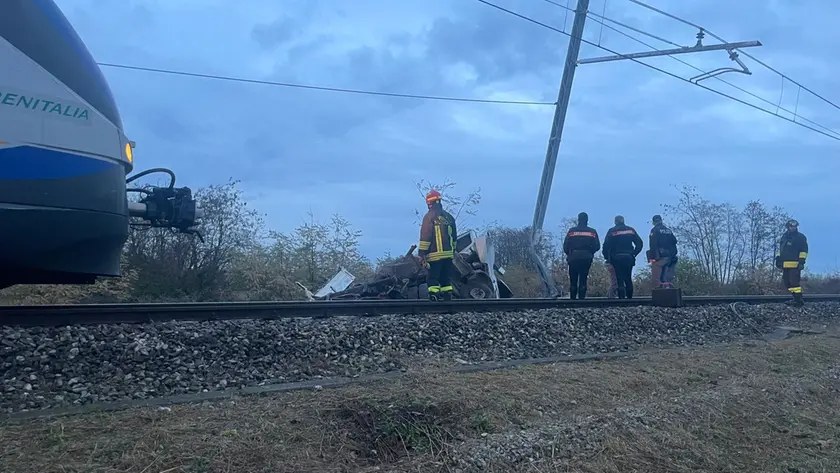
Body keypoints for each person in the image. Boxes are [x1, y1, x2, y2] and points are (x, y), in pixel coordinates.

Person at [418, 189, 458, 301]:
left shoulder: (429, 217)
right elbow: (454, 237)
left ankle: (434, 296)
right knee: (445, 278)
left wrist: (422, 253)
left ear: (429, 203)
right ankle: (447, 296)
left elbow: (426, 237)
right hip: (448, 255)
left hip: (434, 256)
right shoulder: (449, 217)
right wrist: (453, 251)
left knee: (432, 278)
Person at [602, 215, 644, 299]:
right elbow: (639, 243)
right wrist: (634, 253)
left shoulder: (612, 231)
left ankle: (621, 300)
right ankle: (629, 299)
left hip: (616, 258)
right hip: (629, 257)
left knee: (619, 279)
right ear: (623, 221)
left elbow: (606, 246)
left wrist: (608, 257)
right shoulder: (631, 230)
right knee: (628, 278)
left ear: (615, 222)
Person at [563, 212, 600, 300]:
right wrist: (590, 252)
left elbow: (565, 246)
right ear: (587, 220)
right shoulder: (592, 231)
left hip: (574, 257)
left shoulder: (572, 231)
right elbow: (597, 246)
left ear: (578, 219)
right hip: (586, 257)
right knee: (583, 278)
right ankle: (582, 300)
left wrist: (570, 254)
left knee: (573, 279)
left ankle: (572, 300)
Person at [775, 219, 808, 307]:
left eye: (794, 226)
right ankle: (795, 299)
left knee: (794, 283)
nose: (793, 228)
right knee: (787, 283)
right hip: (785, 264)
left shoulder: (800, 237)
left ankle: (799, 301)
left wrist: (801, 262)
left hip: (795, 264)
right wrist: (778, 259)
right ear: (787, 227)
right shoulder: (784, 237)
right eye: (791, 226)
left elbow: (804, 251)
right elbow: (781, 250)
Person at [647, 214, 678, 288]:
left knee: (656, 279)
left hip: (660, 257)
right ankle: (669, 293)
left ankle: (659, 295)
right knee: (667, 279)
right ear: (661, 221)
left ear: (653, 222)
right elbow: (674, 241)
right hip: (671, 257)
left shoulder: (654, 230)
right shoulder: (668, 230)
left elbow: (653, 245)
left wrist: (653, 257)